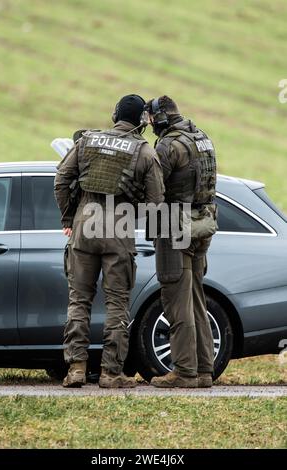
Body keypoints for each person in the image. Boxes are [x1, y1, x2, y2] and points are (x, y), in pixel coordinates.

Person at [54, 94, 164, 388]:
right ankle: (110, 373)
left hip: (83, 224)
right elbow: (156, 201)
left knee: (79, 300)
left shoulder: (87, 141)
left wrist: (68, 219)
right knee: (117, 303)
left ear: (115, 114)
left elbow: (61, 180)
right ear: (140, 121)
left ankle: (76, 369)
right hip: (119, 227)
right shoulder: (144, 151)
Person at [146, 95, 217, 388]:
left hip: (175, 228)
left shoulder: (168, 145)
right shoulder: (202, 138)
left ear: (160, 117)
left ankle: (184, 372)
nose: (149, 124)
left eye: (151, 119)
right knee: (197, 299)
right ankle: (203, 371)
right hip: (203, 225)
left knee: (177, 301)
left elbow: (153, 186)